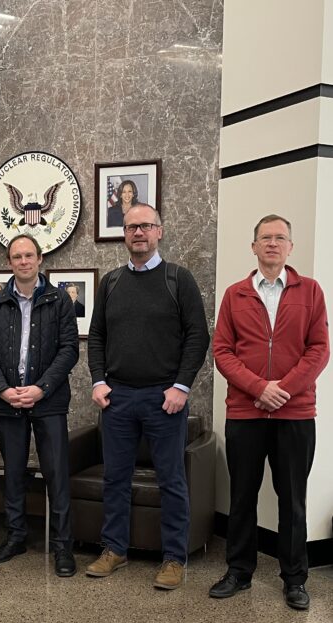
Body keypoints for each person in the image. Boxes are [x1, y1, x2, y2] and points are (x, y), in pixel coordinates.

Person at [209, 214, 329, 610]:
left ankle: (295, 578)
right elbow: (222, 351)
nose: (273, 244)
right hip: (245, 413)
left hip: (295, 415)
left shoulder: (310, 292)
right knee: (241, 496)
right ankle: (239, 572)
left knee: (292, 499)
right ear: (254, 246)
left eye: (280, 238)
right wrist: (260, 388)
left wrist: (284, 391)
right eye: (265, 238)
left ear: (290, 247)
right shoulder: (235, 294)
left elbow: (319, 349)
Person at [86, 204, 209, 589]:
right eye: (131, 227)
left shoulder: (178, 279)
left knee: (172, 479)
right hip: (118, 398)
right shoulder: (112, 283)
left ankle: (173, 558)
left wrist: (181, 386)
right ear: (124, 234)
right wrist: (97, 381)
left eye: (145, 226)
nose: (138, 233)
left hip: (164, 399)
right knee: (115, 478)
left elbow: (197, 336)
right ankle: (114, 550)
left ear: (159, 231)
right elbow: (98, 337)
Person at [0, 234, 79, 577]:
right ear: (9, 262)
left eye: (29, 255)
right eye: (16, 256)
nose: (23, 261)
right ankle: (16, 536)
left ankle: (64, 547)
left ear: (39, 259)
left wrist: (41, 388)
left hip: (48, 401)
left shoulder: (59, 299)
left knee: (56, 474)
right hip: (7, 403)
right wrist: (4, 390)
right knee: (13, 473)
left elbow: (69, 350)